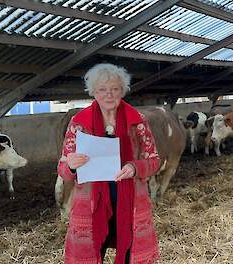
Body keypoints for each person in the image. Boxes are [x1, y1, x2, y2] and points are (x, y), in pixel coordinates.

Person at [57, 63, 161, 264]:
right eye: (102, 89)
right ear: (93, 92)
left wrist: (134, 167)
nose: (109, 95)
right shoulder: (79, 123)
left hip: (131, 202)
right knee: (93, 250)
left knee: (130, 251)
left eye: (114, 89)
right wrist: (70, 165)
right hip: (91, 204)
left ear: (122, 90)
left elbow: (154, 160)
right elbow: (62, 170)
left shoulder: (137, 121)